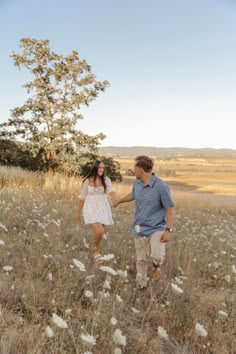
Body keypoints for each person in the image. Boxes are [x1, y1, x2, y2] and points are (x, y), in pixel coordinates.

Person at [113, 155, 174, 289]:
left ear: (140, 169)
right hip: (139, 227)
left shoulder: (161, 186)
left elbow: (169, 208)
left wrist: (168, 230)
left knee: (157, 255)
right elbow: (133, 195)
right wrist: (119, 201)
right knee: (141, 259)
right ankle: (142, 286)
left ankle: (156, 266)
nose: (133, 170)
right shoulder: (137, 183)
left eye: (134, 168)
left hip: (157, 227)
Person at [78, 160, 117, 263]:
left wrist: (115, 199)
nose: (101, 169)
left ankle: (97, 253)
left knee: (100, 233)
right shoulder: (87, 181)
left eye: (103, 168)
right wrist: (78, 212)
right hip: (90, 207)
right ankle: (96, 252)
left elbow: (111, 190)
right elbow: (82, 197)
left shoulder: (106, 179)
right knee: (99, 231)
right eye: (100, 167)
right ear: (95, 168)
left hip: (103, 207)